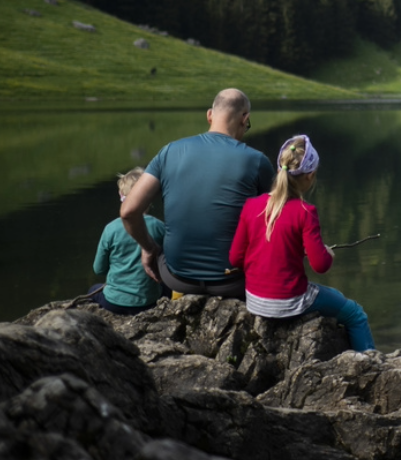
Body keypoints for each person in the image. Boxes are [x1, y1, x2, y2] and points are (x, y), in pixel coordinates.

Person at [121, 88, 273, 297]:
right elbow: (281, 217)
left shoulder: (169, 152)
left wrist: (148, 248)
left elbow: (128, 211)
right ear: (244, 118)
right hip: (234, 281)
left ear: (209, 115)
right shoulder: (256, 160)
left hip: (177, 278)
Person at [229, 135, 375, 351]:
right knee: (355, 314)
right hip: (290, 302)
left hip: (255, 301)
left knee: (336, 297)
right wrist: (327, 254)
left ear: (279, 169)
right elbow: (320, 265)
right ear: (311, 175)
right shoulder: (306, 212)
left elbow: (235, 258)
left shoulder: (251, 205)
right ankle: (371, 362)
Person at [89, 167, 166, 315]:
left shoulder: (110, 229)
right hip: (149, 302)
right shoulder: (159, 227)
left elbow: (99, 269)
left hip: (113, 303)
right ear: (149, 198)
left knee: (93, 290)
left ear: (121, 195)